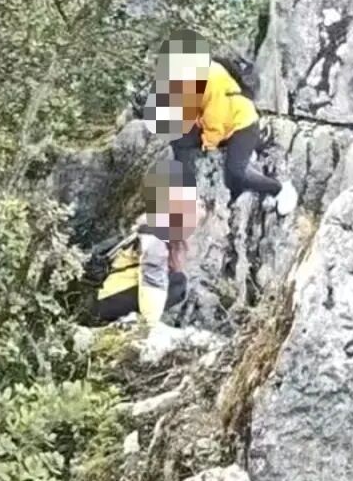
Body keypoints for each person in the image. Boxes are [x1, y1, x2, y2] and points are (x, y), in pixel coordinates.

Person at [143, 30, 298, 210]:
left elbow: (216, 118)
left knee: (234, 175)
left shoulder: (212, 76)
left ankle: (279, 189)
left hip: (241, 125)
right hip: (218, 126)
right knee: (179, 139)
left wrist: (208, 145)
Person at [92, 159, 198, 325]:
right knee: (177, 283)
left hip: (104, 296)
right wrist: (149, 324)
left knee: (174, 280)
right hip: (102, 301)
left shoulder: (150, 226)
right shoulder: (154, 234)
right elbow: (152, 277)